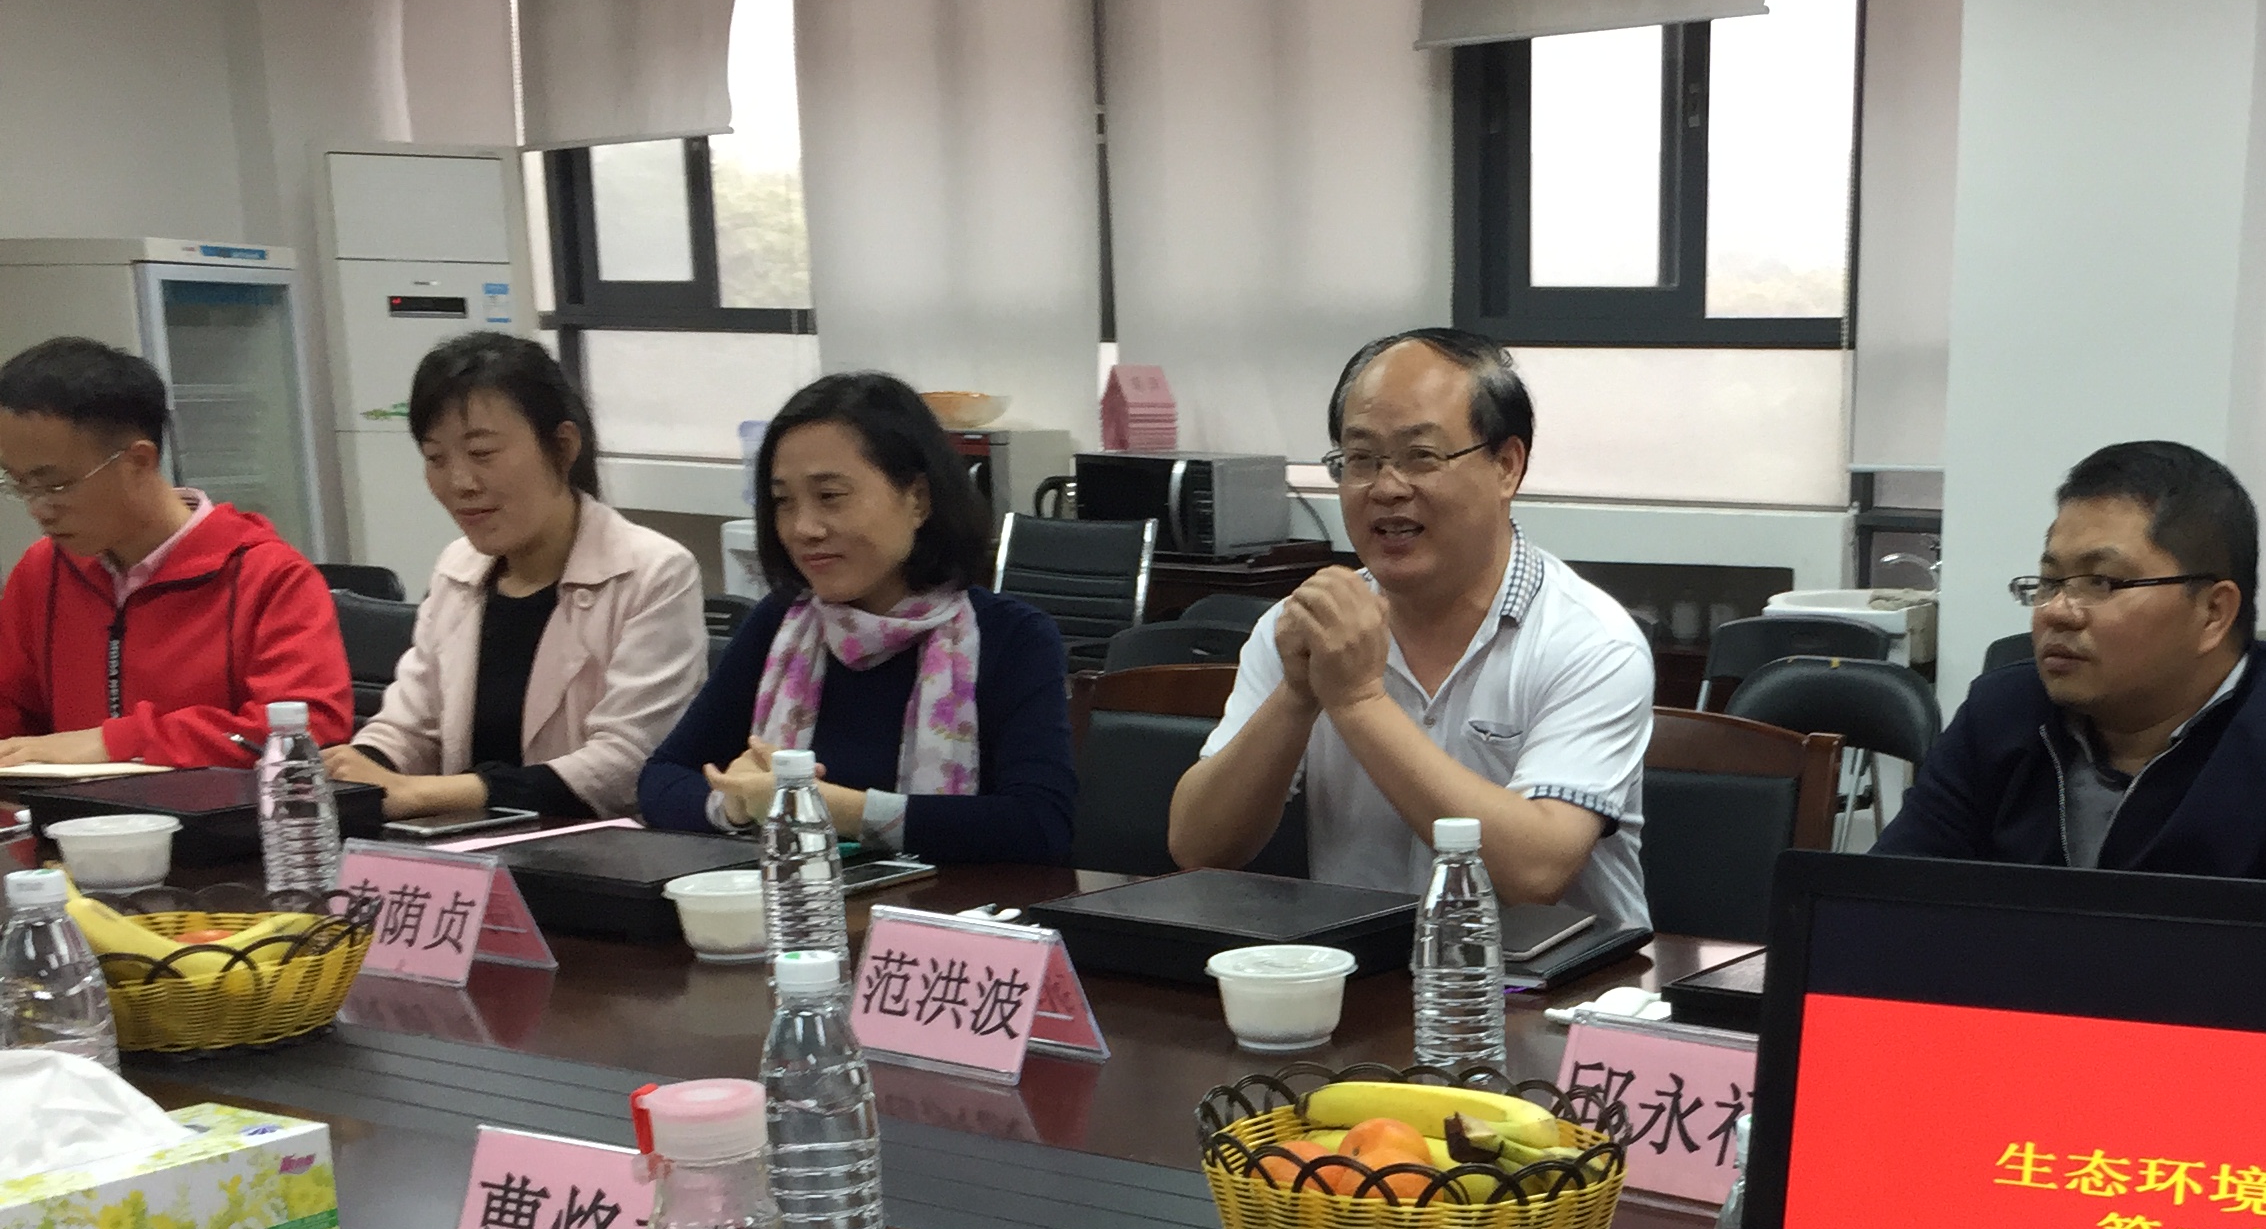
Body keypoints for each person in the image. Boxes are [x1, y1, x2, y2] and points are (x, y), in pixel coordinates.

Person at [1169, 327, 1652, 922]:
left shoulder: (1591, 642)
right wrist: (1297, 695)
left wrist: (1358, 701)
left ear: (1506, 466)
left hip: (1550, 973)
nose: (1386, 488)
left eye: (1421, 456)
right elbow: (1199, 847)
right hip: (1363, 968)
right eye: (1361, 460)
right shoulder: (1309, 626)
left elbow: (1535, 871)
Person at [1875, 440, 2266, 884]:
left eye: (2102, 582)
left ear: (2213, 612)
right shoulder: (2000, 715)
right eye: (2049, 581)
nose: (2057, 611)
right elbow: (1886, 907)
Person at [639, 372, 1075, 865]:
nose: (803, 528)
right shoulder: (782, 624)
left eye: (830, 496)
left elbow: (1039, 825)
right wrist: (735, 803)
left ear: (917, 499)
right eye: (783, 502)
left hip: (942, 911)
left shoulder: (1012, 638)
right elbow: (661, 779)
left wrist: (829, 808)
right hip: (798, 903)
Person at [327, 334, 704, 821]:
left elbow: (627, 762)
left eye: (482, 453)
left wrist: (430, 794)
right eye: (436, 458)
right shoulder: (457, 569)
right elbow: (410, 727)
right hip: (463, 850)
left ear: (562, 447)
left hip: (595, 852)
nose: (460, 483)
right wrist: (359, 767)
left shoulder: (653, 572)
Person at [0, 336, 348, 767]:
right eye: (19, 484)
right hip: (64, 812)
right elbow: (11, 716)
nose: (37, 508)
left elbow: (308, 729)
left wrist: (122, 741)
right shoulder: (43, 571)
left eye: (55, 485)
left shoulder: (267, 576)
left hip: (218, 811)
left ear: (138, 462)